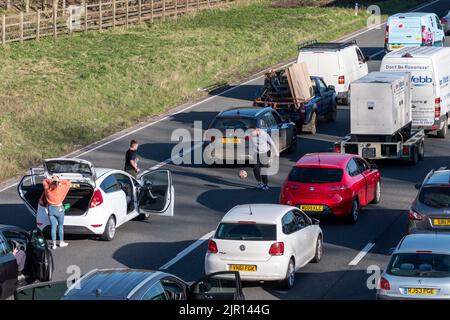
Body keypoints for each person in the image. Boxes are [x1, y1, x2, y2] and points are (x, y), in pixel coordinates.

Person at [43, 176, 71, 250]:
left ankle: (54, 245)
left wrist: (51, 180)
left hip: (51, 209)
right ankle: (61, 242)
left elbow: (44, 181)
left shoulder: (47, 189)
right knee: (60, 226)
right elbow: (68, 183)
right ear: (57, 183)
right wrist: (60, 180)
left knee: (53, 227)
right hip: (59, 209)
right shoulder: (60, 189)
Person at [249, 127, 278, 191]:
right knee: (255, 168)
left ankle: (265, 184)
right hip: (256, 153)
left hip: (265, 152)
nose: (251, 134)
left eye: (252, 132)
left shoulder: (264, 135)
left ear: (257, 130)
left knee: (263, 168)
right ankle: (259, 182)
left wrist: (276, 152)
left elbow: (272, 143)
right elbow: (251, 145)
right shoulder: (251, 136)